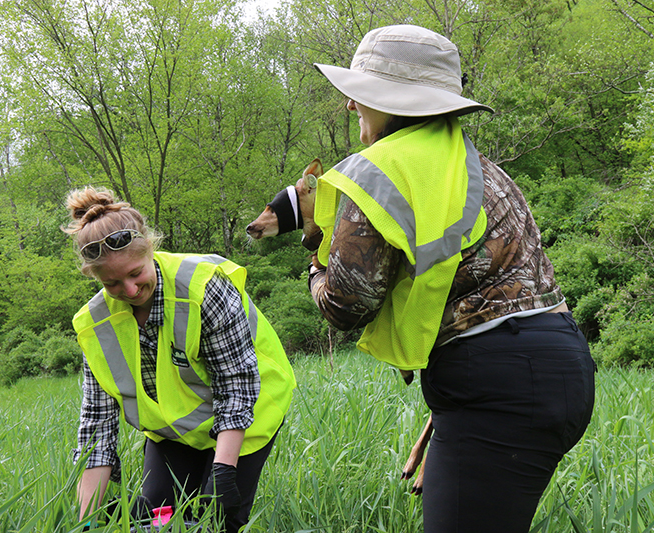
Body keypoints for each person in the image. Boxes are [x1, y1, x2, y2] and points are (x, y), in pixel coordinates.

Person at [307, 25, 595, 532]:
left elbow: (347, 304)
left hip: (497, 386)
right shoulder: (480, 168)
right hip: (560, 365)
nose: (351, 107)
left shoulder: (377, 172)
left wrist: (314, 268)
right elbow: (504, 293)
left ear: (389, 101)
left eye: (360, 94)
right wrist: (448, 414)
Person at [63, 187, 296, 532]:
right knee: (159, 517)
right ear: (94, 277)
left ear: (150, 249)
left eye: (135, 273)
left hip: (248, 410)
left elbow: (236, 383)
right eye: (112, 283)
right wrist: (83, 522)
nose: (128, 291)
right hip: (177, 432)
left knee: (217, 519)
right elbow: (96, 432)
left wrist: (223, 471)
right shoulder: (95, 326)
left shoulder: (202, 287)